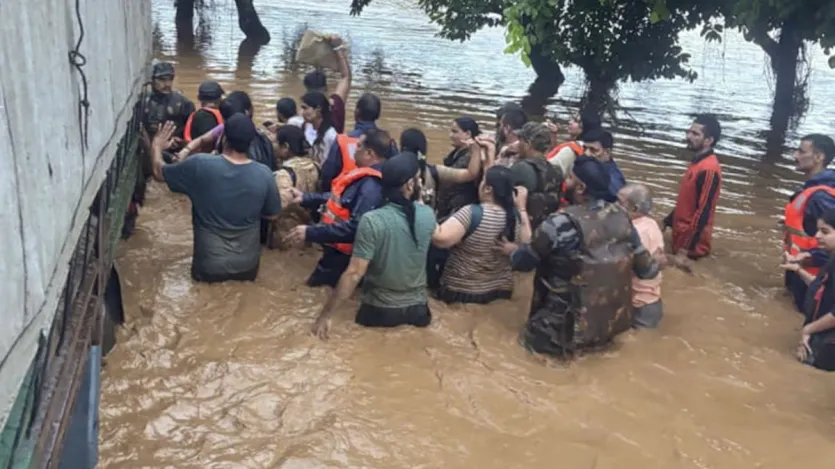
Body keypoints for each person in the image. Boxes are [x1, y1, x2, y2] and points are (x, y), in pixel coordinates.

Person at [497, 156, 659, 357]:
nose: (566, 181)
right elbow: (647, 270)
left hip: (556, 333)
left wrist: (514, 245)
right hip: (605, 330)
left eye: (571, 178)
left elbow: (522, 263)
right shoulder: (623, 218)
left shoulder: (558, 223)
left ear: (581, 187)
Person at [311, 152, 437, 339]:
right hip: (418, 312)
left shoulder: (372, 221)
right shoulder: (428, 215)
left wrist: (326, 315)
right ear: (411, 185)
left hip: (379, 311)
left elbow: (354, 274)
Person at [149, 116, 282, 283]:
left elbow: (159, 173)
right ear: (251, 142)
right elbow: (272, 216)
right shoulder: (265, 174)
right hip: (248, 267)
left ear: (224, 137)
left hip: (209, 266)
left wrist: (156, 146)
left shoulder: (200, 165)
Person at [285, 128, 394, 288]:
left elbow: (357, 228)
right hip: (338, 250)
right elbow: (342, 200)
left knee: (313, 290)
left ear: (369, 153)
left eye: (358, 147)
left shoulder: (371, 186)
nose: (354, 151)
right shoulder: (368, 179)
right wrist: (306, 198)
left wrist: (311, 232)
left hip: (343, 256)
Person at [431, 166, 531, 304]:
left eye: (483, 180)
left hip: (463, 291)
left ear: (488, 189)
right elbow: (527, 246)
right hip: (500, 291)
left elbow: (440, 239)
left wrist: (425, 210)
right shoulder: (517, 217)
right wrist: (522, 208)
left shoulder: (471, 213)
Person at [125, 61, 196, 239]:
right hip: (146, 152)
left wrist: (178, 143)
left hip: (171, 153)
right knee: (138, 191)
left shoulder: (182, 103)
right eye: (162, 79)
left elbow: (192, 135)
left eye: (169, 79)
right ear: (153, 80)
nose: (166, 84)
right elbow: (137, 130)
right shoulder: (143, 102)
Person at [782, 134, 835, 312]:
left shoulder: (822, 195)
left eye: (801, 151)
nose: (795, 155)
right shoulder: (814, 188)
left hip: (811, 272)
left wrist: (808, 257)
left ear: (819, 157)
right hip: (799, 264)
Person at [780, 208, 835, 371]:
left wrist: (808, 329)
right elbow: (821, 288)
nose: (817, 236)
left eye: (825, 231)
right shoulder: (832, 258)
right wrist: (797, 270)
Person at [664, 114, 723, 260]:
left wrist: (685, 250)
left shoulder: (709, 169)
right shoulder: (697, 162)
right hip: (680, 240)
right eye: (688, 132)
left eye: (695, 134)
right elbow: (688, 202)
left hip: (692, 251)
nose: (688, 136)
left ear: (708, 141)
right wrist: (666, 222)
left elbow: (703, 212)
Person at [320, 93, 397, 191]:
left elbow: (327, 176)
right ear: (378, 115)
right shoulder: (388, 142)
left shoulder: (341, 140)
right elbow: (396, 174)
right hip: (376, 194)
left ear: (356, 112)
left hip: (343, 196)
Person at [618, 184, 665, 328]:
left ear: (634, 209)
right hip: (651, 303)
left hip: (639, 307)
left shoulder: (635, 231)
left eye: (620, 202)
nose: (614, 206)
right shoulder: (651, 224)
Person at [268, 125, 320, 250]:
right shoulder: (316, 166)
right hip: (309, 232)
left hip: (286, 235)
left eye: (275, 142)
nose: (272, 145)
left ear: (285, 147)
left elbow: (275, 211)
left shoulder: (283, 175)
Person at [510, 122, 564, 230]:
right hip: (546, 229)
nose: (517, 143)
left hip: (522, 228)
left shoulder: (521, 168)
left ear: (527, 144)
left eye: (520, 140)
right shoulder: (557, 170)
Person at [435, 117, 484, 220]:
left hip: (458, 209)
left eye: (455, 132)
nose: (450, 135)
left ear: (468, 134)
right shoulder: (458, 152)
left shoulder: (471, 157)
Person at [303, 34, 351, 134]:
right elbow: (345, 77)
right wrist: (337, 47)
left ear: (307, 91)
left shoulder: (306, 114)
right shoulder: (336, 104)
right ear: (325, 88)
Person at [545, 109, 601, 176]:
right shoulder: (587, 147)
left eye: (575, 121)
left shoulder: (572, 149)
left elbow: (547, 165)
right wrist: (553, 134)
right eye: (572, 119)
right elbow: (556, 155)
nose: (570, 122)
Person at [300, 91, 338, 165]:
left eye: (305, 108)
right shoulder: (307, 127)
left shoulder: (330, 135)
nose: (302, 112)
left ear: (318, 109)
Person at [584, 128, 626, 196]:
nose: (586, 153)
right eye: (585, 148)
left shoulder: (612, 182)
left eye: (593, 150)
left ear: (607, 152)